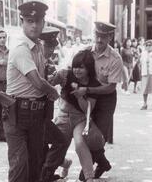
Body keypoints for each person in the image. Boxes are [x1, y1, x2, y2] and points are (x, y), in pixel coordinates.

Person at [3, 1, 59, 182]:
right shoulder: (21, 47)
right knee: (20, 167)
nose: (34, 25)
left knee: (36, 164)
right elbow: (37, 81)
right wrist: (53, 91)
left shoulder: (38, 47)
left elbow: (42, 73)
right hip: (18, 114)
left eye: (37, 21)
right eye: (29, 21)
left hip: (36, 114)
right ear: (22, 22)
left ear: (43, 22)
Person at [71, 21, 123, 180]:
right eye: (97, 36)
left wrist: (87, 90)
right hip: (86, 96)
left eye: (104, 37)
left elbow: (110, 88)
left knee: (98, 136)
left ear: (110, 37)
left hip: (105, 99)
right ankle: (103, 162)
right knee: (86, 131)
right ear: (94, 34)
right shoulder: (85, 52)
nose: (99, 40)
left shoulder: (115, 58)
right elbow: (74, 70)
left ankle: (97, 164)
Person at [51, 49, 104, 182]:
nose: (77, 70)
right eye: (75, 67)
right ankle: (65, 163)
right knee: (57, 148)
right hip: (63, 116)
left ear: (89, 68)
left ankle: (89, 178)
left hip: (80, 119)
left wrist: (80, 96)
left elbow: (87, 109)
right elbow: (48, 82)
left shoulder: (93, 84)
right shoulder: (66, 75)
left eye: (81, 67)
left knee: (80, 143)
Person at [39, 27, 72, 182]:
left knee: (44, 145)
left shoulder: (49, 63)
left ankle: (47, 174)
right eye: (48, 46)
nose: (51, 50)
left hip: (44, 113)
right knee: (60, 141)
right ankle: (46, 174)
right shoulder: (35, 60)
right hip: (35, 114)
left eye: (53, 46)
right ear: (40, 44)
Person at [140, 40, 152, 110]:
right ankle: (145, 103)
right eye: (147, 46)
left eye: (150, 46)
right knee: (144, 90)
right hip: (145, 74)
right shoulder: (143, 53)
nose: (148, 47)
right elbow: (141, 62)